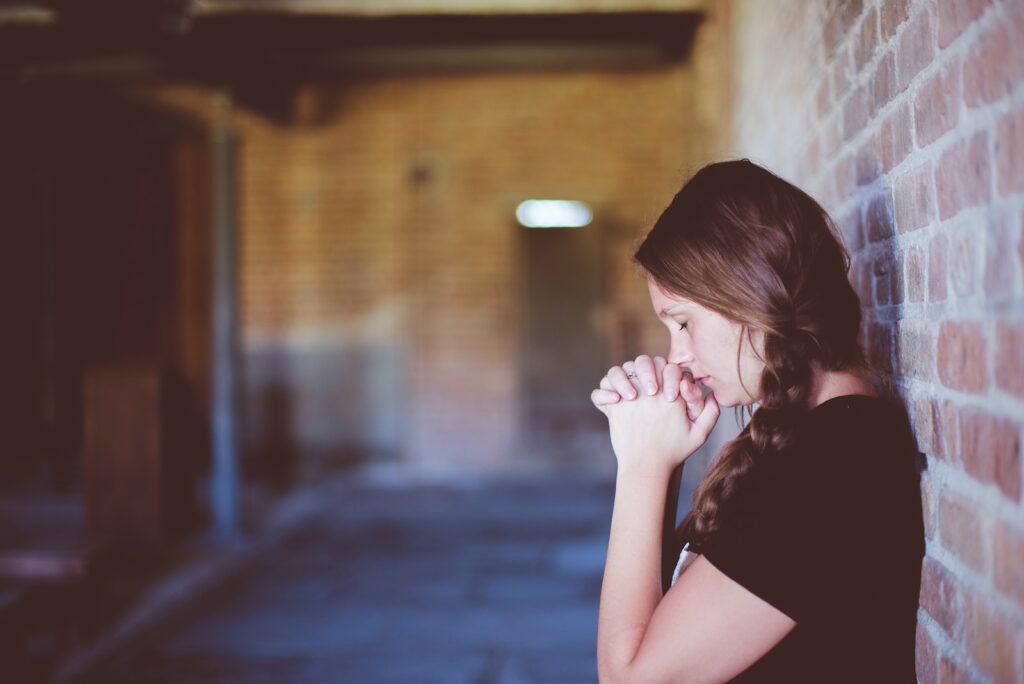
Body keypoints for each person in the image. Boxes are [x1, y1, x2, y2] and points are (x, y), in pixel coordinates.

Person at [590, 159, 925, 683]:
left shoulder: (836, 462)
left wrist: (641, 467)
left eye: (683, 322)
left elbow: (633, 678)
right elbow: (660, 622)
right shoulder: (805, 436)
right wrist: (667, 458)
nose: (676, 355)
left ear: (751, 294)